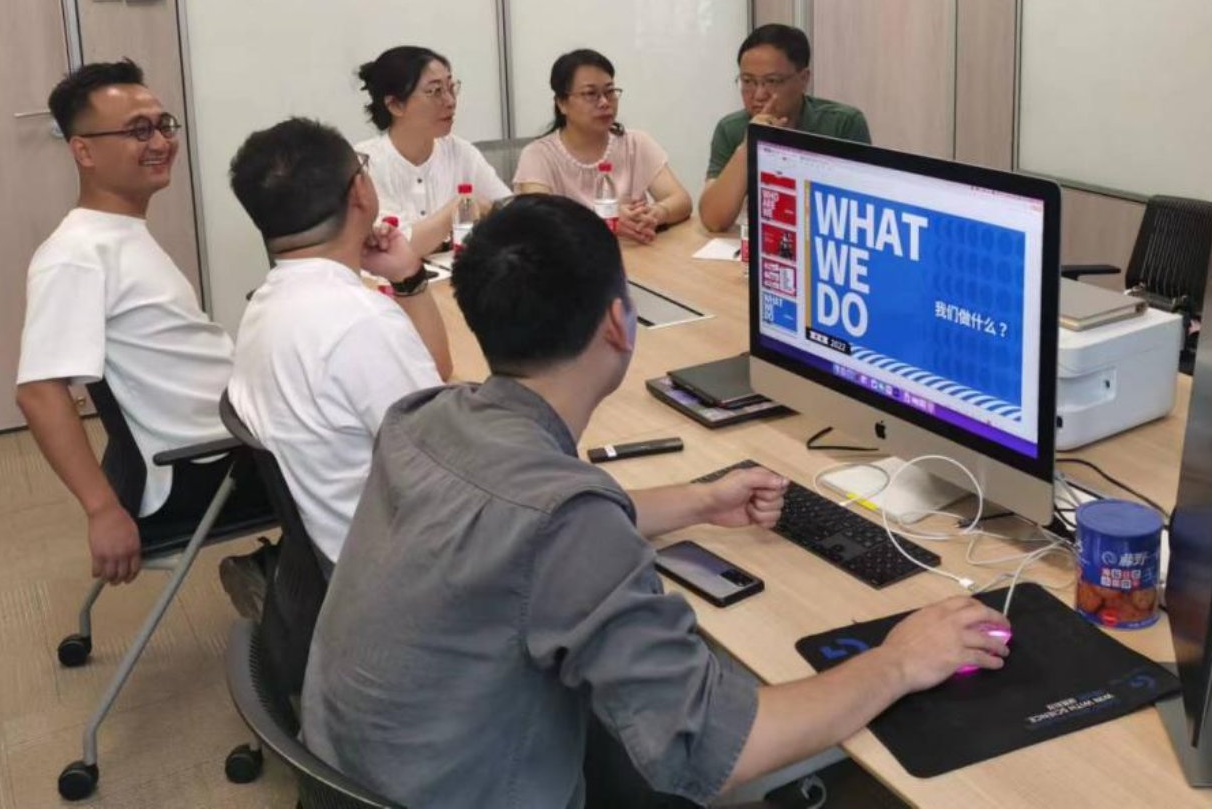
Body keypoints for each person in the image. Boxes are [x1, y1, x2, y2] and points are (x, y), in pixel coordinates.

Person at [302, 196, 1009, 808]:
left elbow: (519, 533)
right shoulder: (564, 523)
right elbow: (716, 749)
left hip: (360, 775)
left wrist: (699, 500)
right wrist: (899, 659)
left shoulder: (426, 418)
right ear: (618, 323)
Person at [15, 59, 269, 609]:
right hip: (211, 462)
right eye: (137, 131)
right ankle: (291, 587)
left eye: (163, 125)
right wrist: (102, 510)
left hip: (230, 436)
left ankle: (287, 575)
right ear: (83, 151)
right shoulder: (76, 255)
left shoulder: (120, 233)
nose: (159, 142)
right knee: (379, 448)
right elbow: (39, 392)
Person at [227, 118, 452, 564]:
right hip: (403, 565)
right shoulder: (361, 323)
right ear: (360, 192)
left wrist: (408, 277)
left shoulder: (268, 301)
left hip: (334, 549)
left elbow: (434, 373)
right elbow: (448, 465)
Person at [697, 24, 871, 233]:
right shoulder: (730, 128)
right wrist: (748, 145)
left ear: (803, 79)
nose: (759, 95)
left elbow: (861, 212)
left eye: (772, 81)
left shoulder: (842, 124)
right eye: (748, 81)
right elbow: (713, 220)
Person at [512, 49, 691, 243]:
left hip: (637, 255)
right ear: (562, 103)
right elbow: (538, 223)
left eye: (610, 92)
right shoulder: (538, 155)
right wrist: (604, 222)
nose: (605, 102)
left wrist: (656, 213)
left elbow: (681, 199)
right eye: (591, 94)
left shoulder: (636, 143)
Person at [354, 45, 511, 255]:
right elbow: (396, 247)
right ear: (395, 105)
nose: (450, 101)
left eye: (451, 88)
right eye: (435, 91)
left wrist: (490, 210)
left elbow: (513, 213)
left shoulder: (461, 152)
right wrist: (460, 206)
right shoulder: (365, 163)